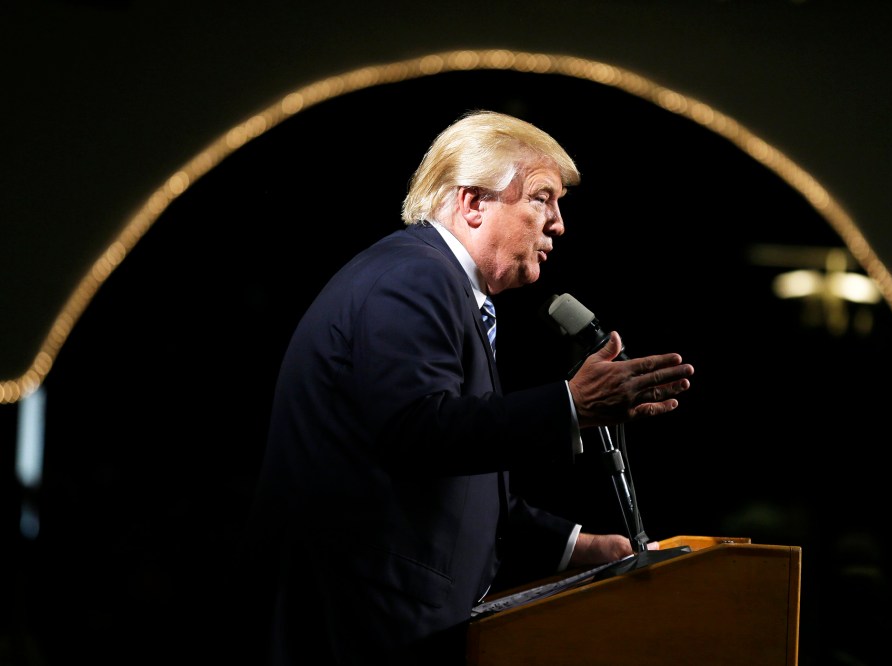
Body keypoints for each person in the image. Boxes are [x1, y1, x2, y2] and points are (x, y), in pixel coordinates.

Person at [247, 109, 695, 665]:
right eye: (542, 198)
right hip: (362, 626)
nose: (558, 224)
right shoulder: (415, 277)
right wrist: (572, 404)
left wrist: (581, 547)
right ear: (473, 202)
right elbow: (417, 431)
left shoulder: (441, 284)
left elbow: (460, 488)